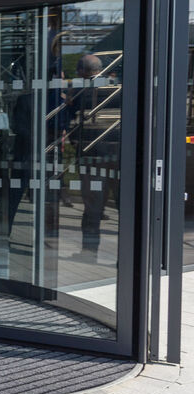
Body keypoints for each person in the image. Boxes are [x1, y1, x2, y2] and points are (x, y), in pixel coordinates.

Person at [67, 53, 109, 260]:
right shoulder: (115, 88)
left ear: (82, 71)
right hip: (119, 154)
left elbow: (70, 120)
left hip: (91, 153)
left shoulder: (81, 92)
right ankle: (129, 257)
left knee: (92, 204)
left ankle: (89, 251)